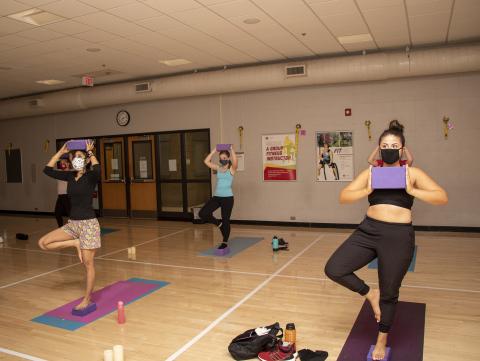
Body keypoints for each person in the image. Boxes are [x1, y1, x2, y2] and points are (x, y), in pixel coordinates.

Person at [324, 121, 447, 360]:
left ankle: (381, 338)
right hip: (368, 231)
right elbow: (344, 196)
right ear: (379, 149)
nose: (389, 148)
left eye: (394, 145)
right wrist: (366, 190)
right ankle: (371, 294)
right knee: (334, 268)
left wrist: (413, 191)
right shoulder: (371, 172)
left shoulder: (412, 173)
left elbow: (441, 197)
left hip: (399, 236)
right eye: (385, 145)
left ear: (402, 150)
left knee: (390, 292)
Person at [39, 140, 101, 311]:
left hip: (88, 224)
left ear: (86, 160)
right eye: (75, 158)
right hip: (73, 223)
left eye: (79, 157)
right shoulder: (69, 176)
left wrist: (90, 152)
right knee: (43, 243)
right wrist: (60, 152)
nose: (77, 160)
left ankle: (87, 299)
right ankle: (75, 243)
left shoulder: (90, 176)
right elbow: (47, 170)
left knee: (88, 264)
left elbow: (98, 169)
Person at [199, 145, 238, 249]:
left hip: (228, 198)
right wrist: (214, 151)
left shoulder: (232, 169)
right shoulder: (218, 168)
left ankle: (224, 242)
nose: (222, 160)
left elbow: (235, 161)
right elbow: (206, 162)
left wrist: (232, 149)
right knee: (202, 213)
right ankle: (218, 224)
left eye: (224, 158)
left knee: (226, 220)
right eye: (221, 158)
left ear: (228, 158)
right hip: (217, 197)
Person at [54, 158, 71, 227]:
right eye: (61, 163)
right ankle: (60, 227)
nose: (62, 164)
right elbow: (49, 168)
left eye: (64, 162)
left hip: (67, 196)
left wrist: (70, 159)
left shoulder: (71, 172)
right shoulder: (59, 172)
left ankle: (75, 228)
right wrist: (56, 158)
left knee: (70, 214)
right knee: (57, 213)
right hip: (60, 196)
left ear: (68, 163)